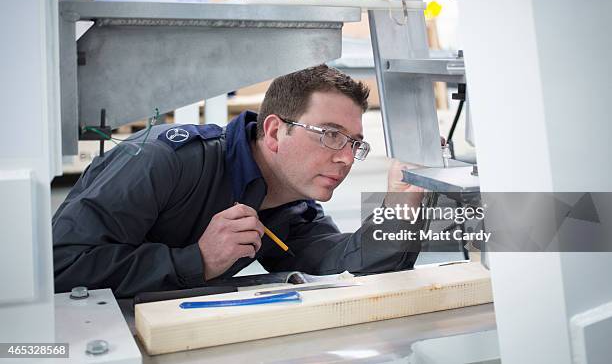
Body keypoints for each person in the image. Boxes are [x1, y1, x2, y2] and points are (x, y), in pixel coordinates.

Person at [52, 65, 423, 298]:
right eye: (330, 134)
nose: (345, 157)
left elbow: (339, 266)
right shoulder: (162, 161)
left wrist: (396, 217)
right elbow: (60, 265)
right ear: (275, 131)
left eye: (354, 143)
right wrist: (196, 261)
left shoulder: (289, 205)